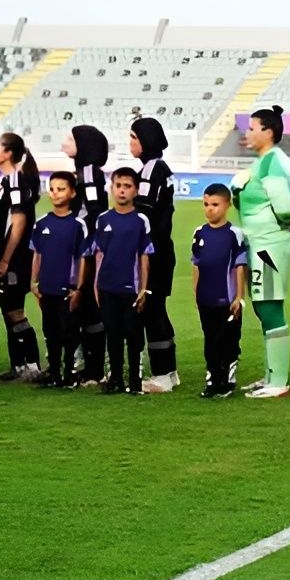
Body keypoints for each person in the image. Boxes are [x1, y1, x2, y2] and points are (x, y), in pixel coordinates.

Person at [232, 106, 290, 399]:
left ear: (268, 132)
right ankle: (272, 374)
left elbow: (283, 205)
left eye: (251, 127)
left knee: (269, 306)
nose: (246, 133)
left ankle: (279, 380)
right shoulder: (264, 161)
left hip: (269, 244)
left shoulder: (273, 160)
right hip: (259, 242)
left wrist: (287, 227)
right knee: (262, 306)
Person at [91, 168, 154, 394]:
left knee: (134, 335)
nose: (122, 191)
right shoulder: (103, 219)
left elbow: (144, 256)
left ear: (135, 190)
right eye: (118, 186)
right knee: (113, 334)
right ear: (111, 188)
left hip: (131, 288)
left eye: (127, 186)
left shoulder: (140, 220)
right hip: (107, 286)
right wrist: (96, 284)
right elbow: (99, 254)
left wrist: (143, 288)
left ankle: (135, 380)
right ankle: (115, 379)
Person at [130, 117, 180, 392]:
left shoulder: (150, 170)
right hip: (164, 248)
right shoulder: (161, 167)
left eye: (134, 138)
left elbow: (145, 215)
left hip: (155, 251)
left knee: (151, 309)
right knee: (157, 308)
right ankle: (169, 371)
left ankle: (161, 375)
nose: (130, 144)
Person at [0, 133, 43, 381]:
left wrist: (5, 260)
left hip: (16, 257)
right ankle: (18, 365)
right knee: (7, 309)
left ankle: (32, 364)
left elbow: (19, 223)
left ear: (8, 153)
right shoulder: (6, 182)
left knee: (14, 310)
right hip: (7, 255)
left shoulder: (16, 181)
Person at [31, 171, 91, 388]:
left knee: (69, 332)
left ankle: (69, 373)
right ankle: (54, 373)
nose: (55, 193)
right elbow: (37, 254)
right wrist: (33, 282)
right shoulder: (42, 223)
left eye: (61, 189)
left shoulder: (77, 225)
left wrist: (78, 288)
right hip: (47, 287)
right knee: (51, 332)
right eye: (53, 189)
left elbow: (82, 257)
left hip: (68, 288)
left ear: (72, 193)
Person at [63, 125, 110, 386]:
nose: (64, 143)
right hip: (85, 246)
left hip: (86, 249)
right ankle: (87, 365)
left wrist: (81, 237)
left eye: (70, 138)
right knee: (84, 308)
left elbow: (93, 211)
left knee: (88, 307)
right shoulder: (83, 172)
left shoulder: (90, 173)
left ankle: (93, 368)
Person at [191, 184, 246, 399]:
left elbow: (240, 265)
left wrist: (239, 296)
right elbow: (196, 264)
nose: (210, 209)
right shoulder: (199, 233)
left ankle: (227, 381)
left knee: (228, 340)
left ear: (227, 205)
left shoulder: (234, 233)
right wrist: (196, 293)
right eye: (206, 204)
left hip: (227, 299)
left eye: (215, 204)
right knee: (210, 339)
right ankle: (212, 379)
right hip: (206, 297)